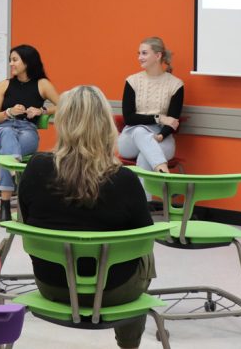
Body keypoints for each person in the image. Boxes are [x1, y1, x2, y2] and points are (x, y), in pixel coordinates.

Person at [17, 85, 155, 349]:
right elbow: (144, 240)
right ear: (106, 125)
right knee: (143, 247)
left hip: (53, 285)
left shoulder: (35, 168)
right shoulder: (125, 179)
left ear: (63, 123)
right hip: (115, 292)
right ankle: (129, 345)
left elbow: (25, 220)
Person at [0, 44, 60, 222]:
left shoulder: (42, 84)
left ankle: (5, 204)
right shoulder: (4, 85)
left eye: (15, 60)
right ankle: (15, 169)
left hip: (27, 131)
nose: (11, 64)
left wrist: (41, 111)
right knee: (7, 133)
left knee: (9, 149)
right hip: (1, 130)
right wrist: (9, 112)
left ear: (27, 62)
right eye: (10, 60)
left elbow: (64, 105)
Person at [117, 37, 183, 174]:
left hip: (161, 137)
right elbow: (129, 118)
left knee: (146, 156)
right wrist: (158, 118)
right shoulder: (132, 81)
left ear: (158, 56)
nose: (140, 57)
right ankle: (164, 172)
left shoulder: (175, 84)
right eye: (139, 53)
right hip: (131, 138)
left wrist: (159, 137)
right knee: (140, 132)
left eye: (144, 53)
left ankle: (143, 196)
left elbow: (173, 121)